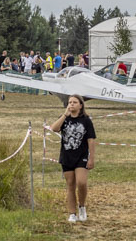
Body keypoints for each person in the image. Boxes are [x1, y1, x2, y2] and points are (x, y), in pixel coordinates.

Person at [50, 95, 96, 223]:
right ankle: (72, 213)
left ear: (81, 105)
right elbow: (54, 128)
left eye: (75, 102)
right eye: (70, 102)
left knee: (81, 182)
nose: (71, 104)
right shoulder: (64, 118)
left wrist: (91, 158)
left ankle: (81, 206)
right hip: (67, 156)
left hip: (81, 156)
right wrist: (64, 115)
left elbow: (91, 140)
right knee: (70, 185)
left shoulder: (86, 120)